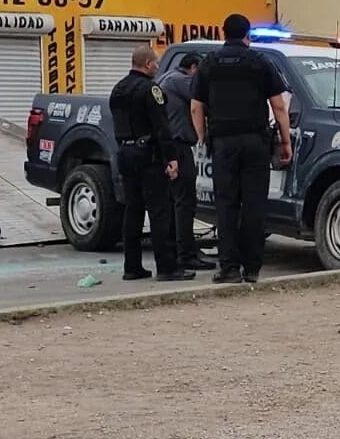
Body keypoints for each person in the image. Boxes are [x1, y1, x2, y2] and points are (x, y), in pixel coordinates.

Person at [192, 14, 293, 285]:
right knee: (254, 204)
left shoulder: (209, 64)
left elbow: (195, 106)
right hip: (255, 143)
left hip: (223, 143)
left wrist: (203, 138)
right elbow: (279, 106)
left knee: (226, 206)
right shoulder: (261, 62)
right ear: (247, 35)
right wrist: (286, 141)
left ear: (223, 33)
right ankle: (252, 268)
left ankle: (228, 268)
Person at [109, 46, 195, 283]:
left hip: (125, 152)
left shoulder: (118, 88)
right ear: (147, 64)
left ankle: (132, 266)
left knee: (133, 210)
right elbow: (161, 126)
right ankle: (167, 267)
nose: (158, 67)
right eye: (156, 63)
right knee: (160, 211)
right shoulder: (151, 89)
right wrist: (171, 158)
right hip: (148, 155)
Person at [157, 53, 214, 271]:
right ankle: (186, 254)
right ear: (193, 68)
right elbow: (203, 100)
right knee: (184, 202)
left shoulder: (167, 78)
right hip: (178, 146)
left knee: (175, 201)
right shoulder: (181, 81)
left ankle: (178, 249)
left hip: (169, 146)